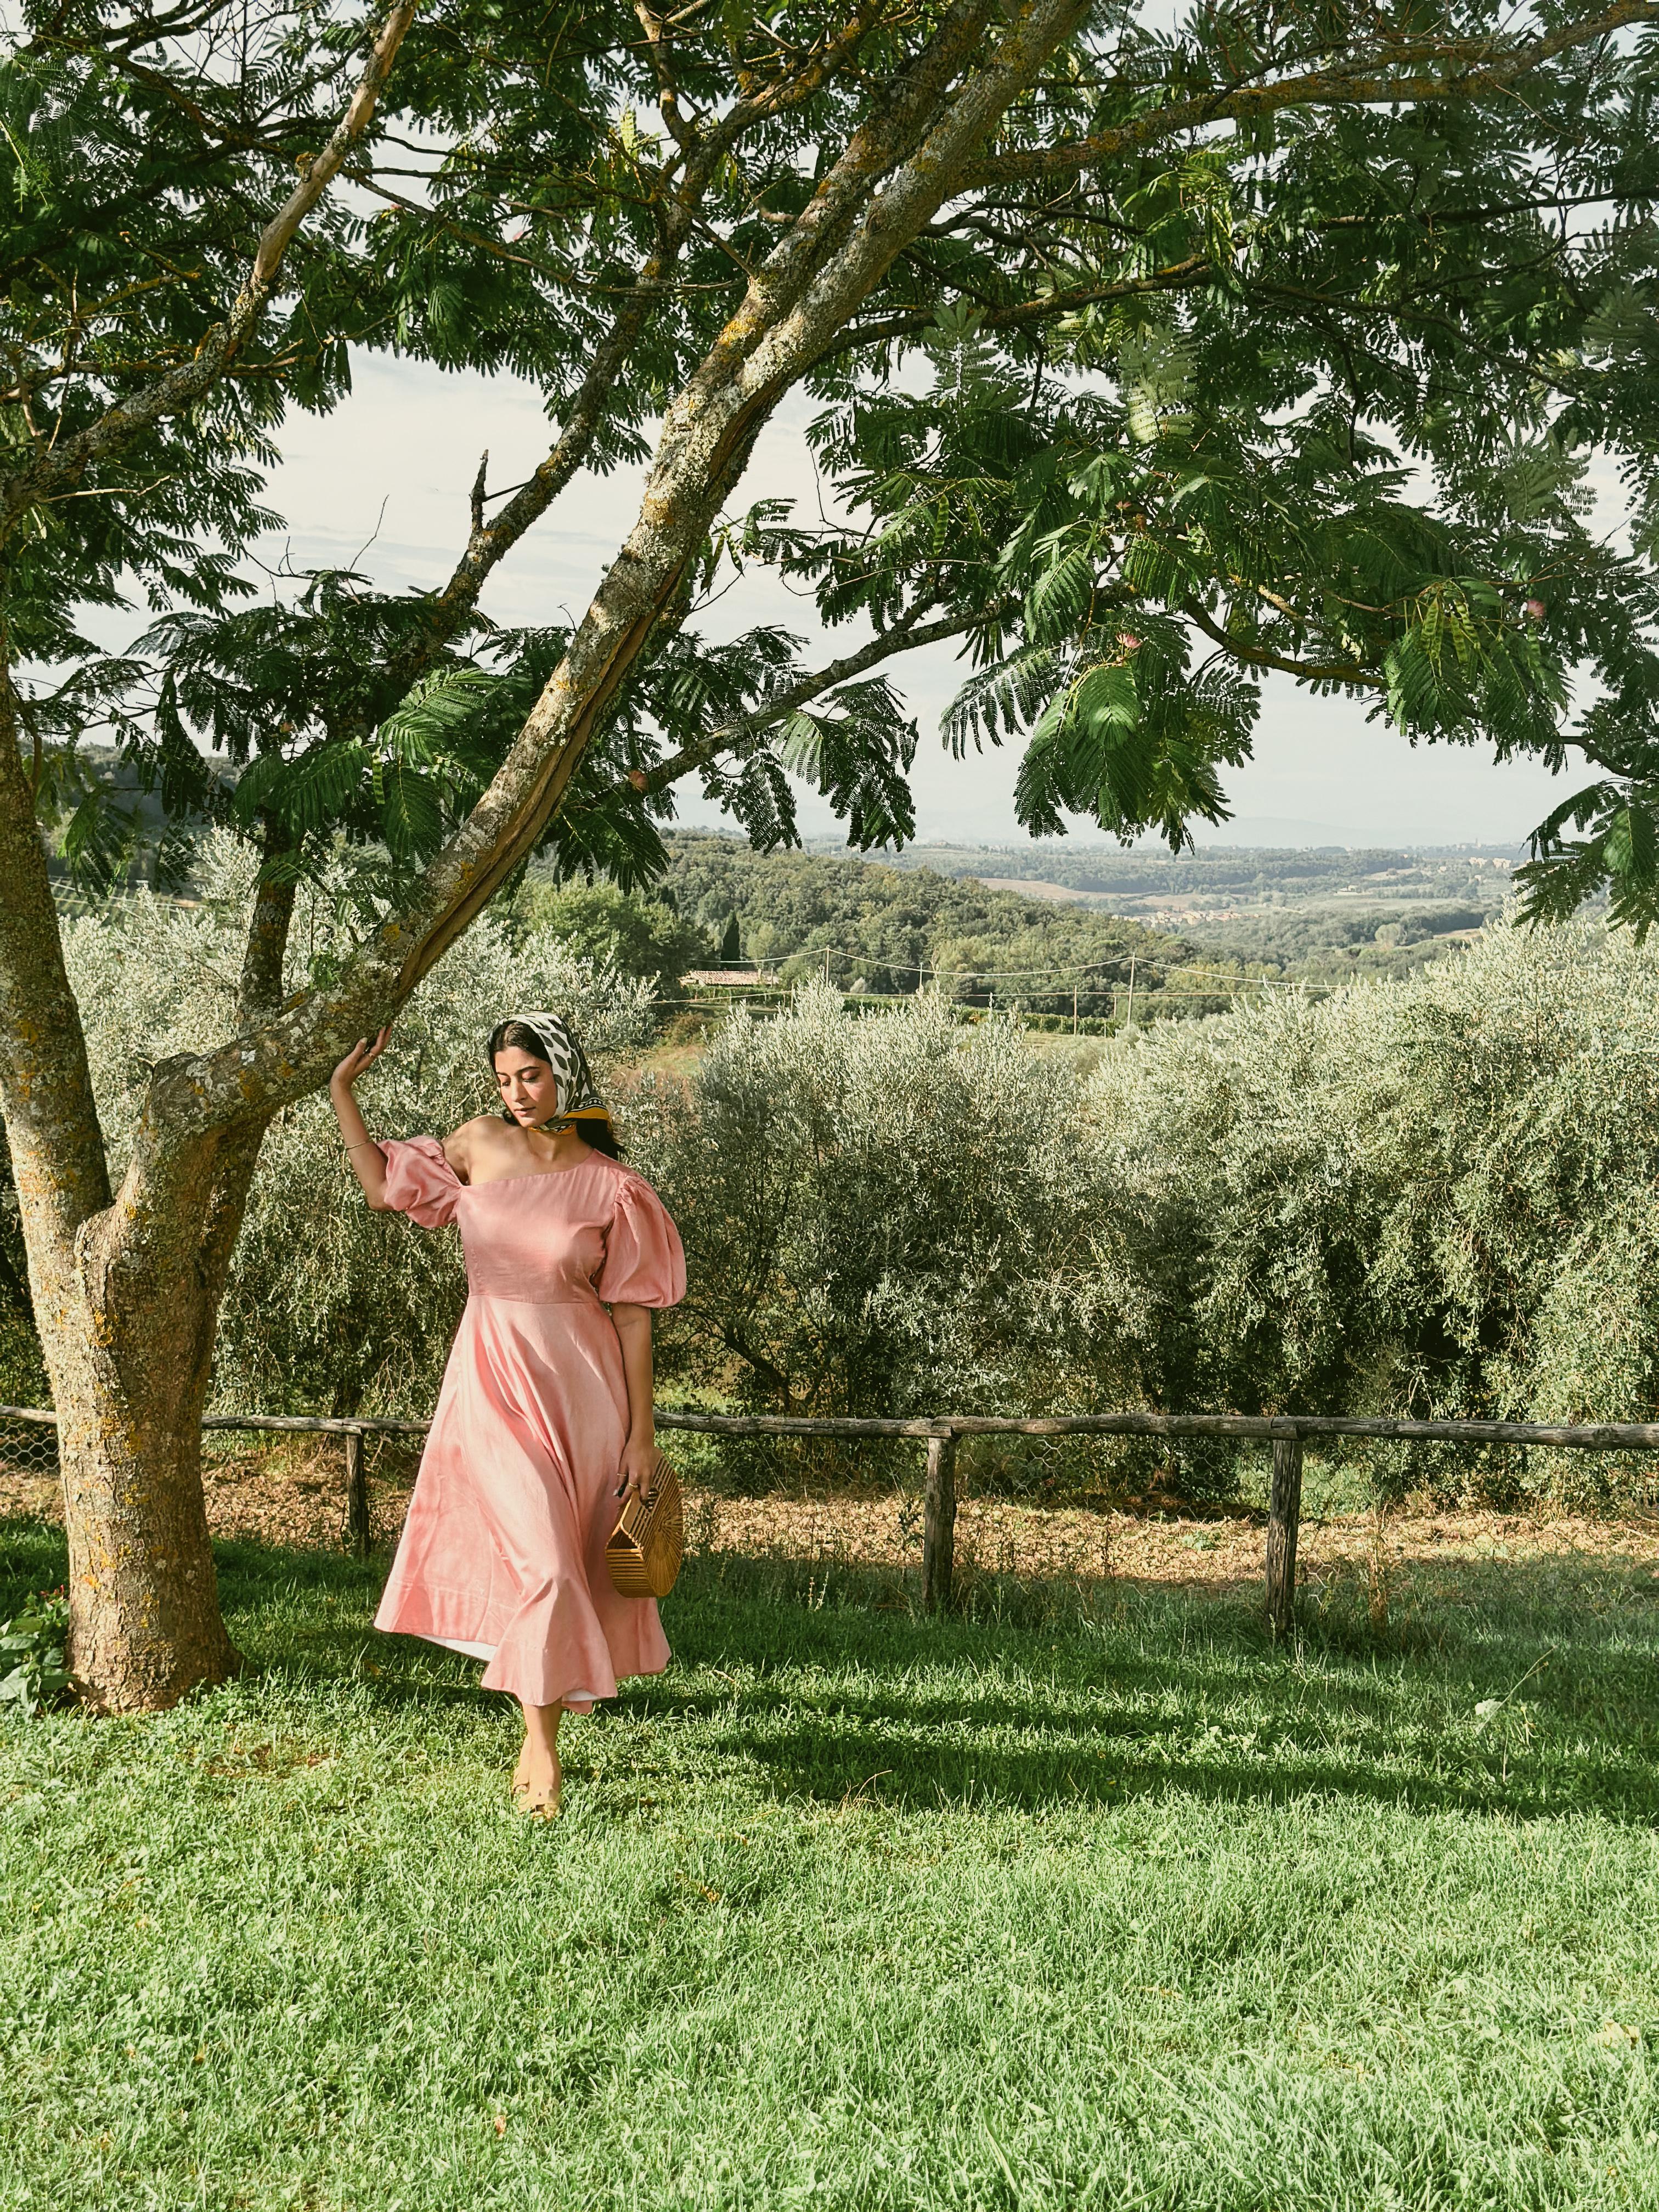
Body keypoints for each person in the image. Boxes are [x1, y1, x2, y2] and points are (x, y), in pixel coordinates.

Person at [329, 1011, 686, 1816]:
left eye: (530, 1074)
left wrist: (642, 1434)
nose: (517, 1093)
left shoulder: (612, 1185)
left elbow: (633, 1315)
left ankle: (541, 1737)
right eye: (503, 1079)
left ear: (564, 1072)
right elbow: (385, 1187)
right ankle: (543, 1748)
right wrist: (342, 1090)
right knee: (548, 1568)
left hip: (585, 1391)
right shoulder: (477, 1144)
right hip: (490, 1379)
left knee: (567, 1564)